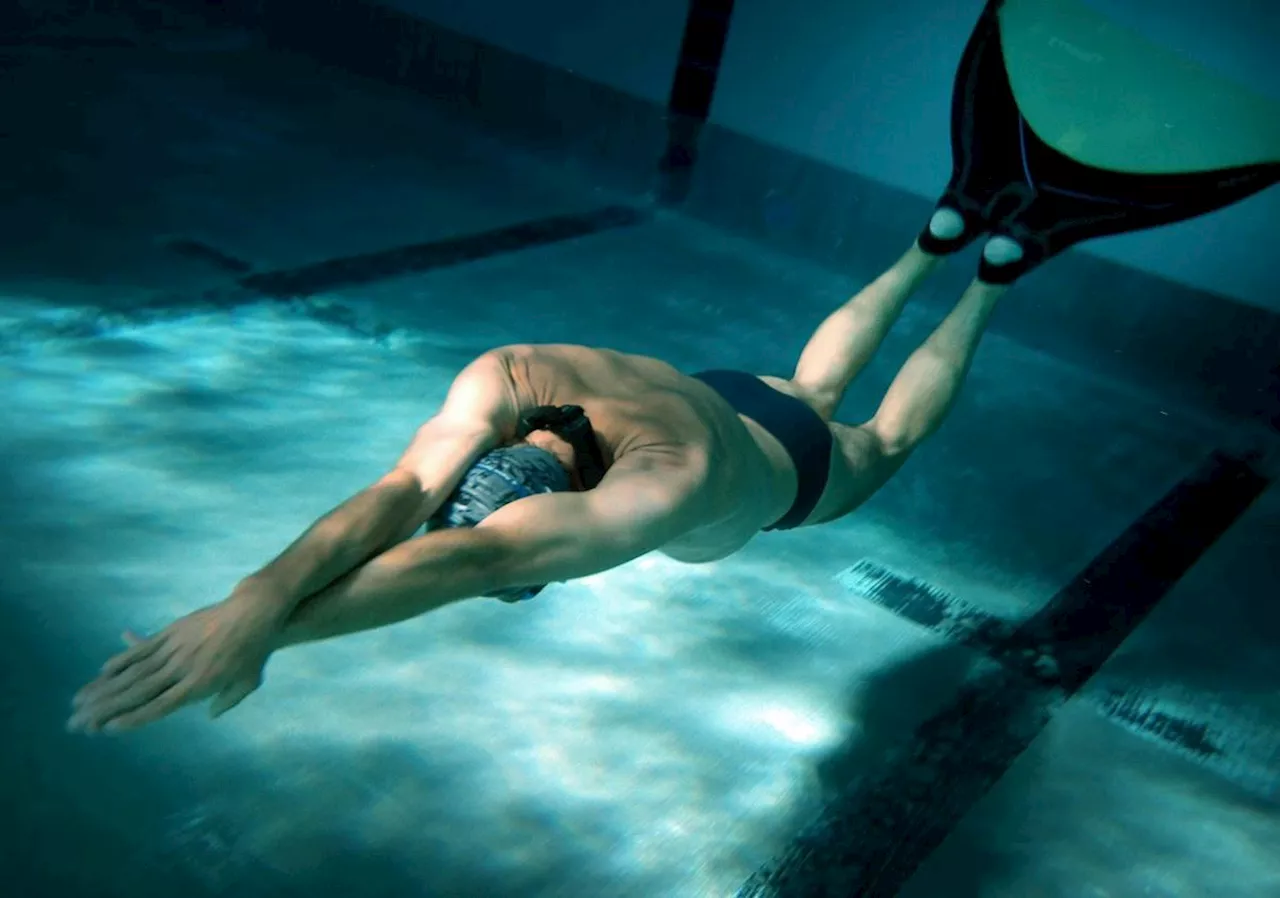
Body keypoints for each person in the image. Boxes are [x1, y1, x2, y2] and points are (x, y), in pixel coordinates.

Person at [67, 240, 1001, 733]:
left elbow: (469, 560)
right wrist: (251, 600)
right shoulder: (515, 374)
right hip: (714, 399)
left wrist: (268, 627)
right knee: (817, 387)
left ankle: (990, 279)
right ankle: (938, 241)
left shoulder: (652, 486)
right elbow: (404, 493)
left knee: (882, 438)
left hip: (789, 469)